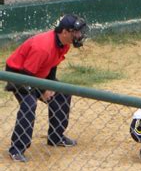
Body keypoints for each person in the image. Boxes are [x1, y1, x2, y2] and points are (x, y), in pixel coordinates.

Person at [5, 14, 88, 162]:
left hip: (37, 74)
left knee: (63, 93)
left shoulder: (64, 43)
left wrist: (50, 85)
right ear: (64, 32)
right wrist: (42, 91)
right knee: (29, 104)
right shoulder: (43, 47)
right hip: (18, 75)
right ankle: (16, 149)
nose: (79, 35)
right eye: (75, 32)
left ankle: (56, 137)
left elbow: (52, 65)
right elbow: (26, 76)